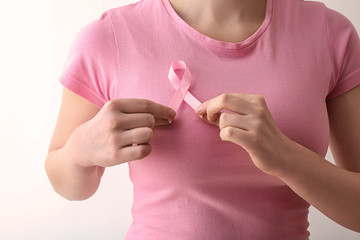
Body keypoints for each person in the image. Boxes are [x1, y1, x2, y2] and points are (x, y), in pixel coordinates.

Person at [45, 0, 360, 239]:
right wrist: (79, 151)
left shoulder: (331, 34)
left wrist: (285, 157)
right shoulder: (108, 36)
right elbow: (69, 185)